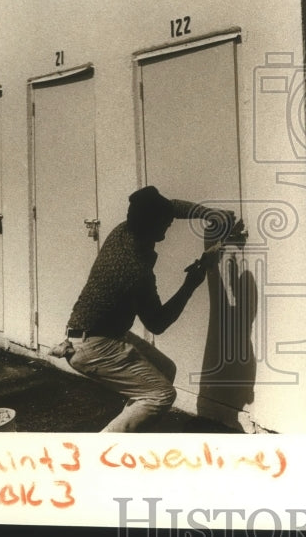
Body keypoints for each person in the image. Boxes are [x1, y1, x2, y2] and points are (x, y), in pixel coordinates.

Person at [55, 185, 240, 432]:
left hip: (96, 334)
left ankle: (127, 439)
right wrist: (191, 283)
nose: (169, 225)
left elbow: (172, 207)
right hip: (93, 346)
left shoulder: (125, 229)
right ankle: (100, 452)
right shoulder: (133, 267)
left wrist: (209, 213)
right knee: (159, 395)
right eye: (165, 223)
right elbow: (158, 323)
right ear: (151, 226)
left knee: (164, 370)